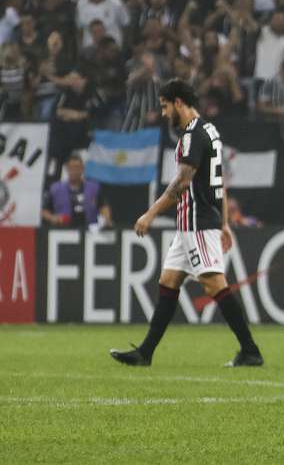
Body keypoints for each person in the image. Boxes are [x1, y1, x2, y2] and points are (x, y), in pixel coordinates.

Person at [110, 79, 263, 367]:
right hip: (190, 224)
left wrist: (150, 214)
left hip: (198, 223)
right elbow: (218, 182)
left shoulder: (193, 136)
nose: (165, 113)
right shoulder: (211, 131)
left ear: (178, 102)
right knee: (169, 281)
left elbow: (182, 183)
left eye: (166, 106)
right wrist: (226, 223)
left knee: (214, 284)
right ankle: (145, 352)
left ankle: (251, 350)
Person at [41, 154, 112, 229]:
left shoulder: (94, 188)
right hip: (63, 229)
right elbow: (44, 211)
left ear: (83, 168)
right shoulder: (55, 189)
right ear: (66, 168)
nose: (75, 171)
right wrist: (53, 218)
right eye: (72, 168)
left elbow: (104, 206)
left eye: (77, 167)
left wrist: (106, 219)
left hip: (89, 229)